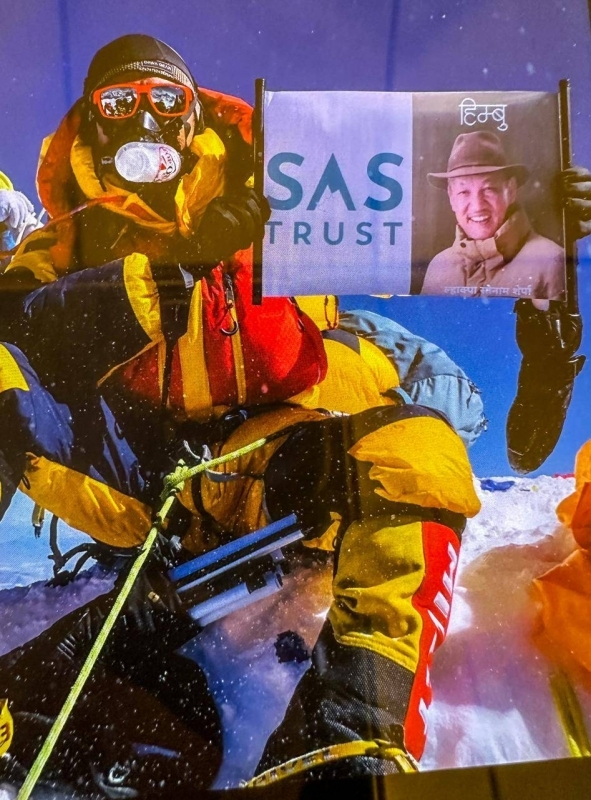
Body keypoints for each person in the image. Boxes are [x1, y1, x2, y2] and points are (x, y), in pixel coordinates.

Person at [0, 33, 485, 795]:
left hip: (265, 461)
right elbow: (21, 325)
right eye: (119, 103)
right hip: (136, 474)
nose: (146, 121)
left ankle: (350, 747)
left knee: (415, 452)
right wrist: (169, 270)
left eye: (168, 100)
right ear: (91, 125)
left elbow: (425, 219)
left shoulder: (288, 198)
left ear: (195, 117)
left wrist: (528, 221)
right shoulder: (66, 241)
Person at [421, 130, 565, 300]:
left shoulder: (551, 262)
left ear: (510, 191)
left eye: (488, 189)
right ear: (451, 198)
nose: (477, 206)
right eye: (463, 192)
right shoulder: (438, 267)